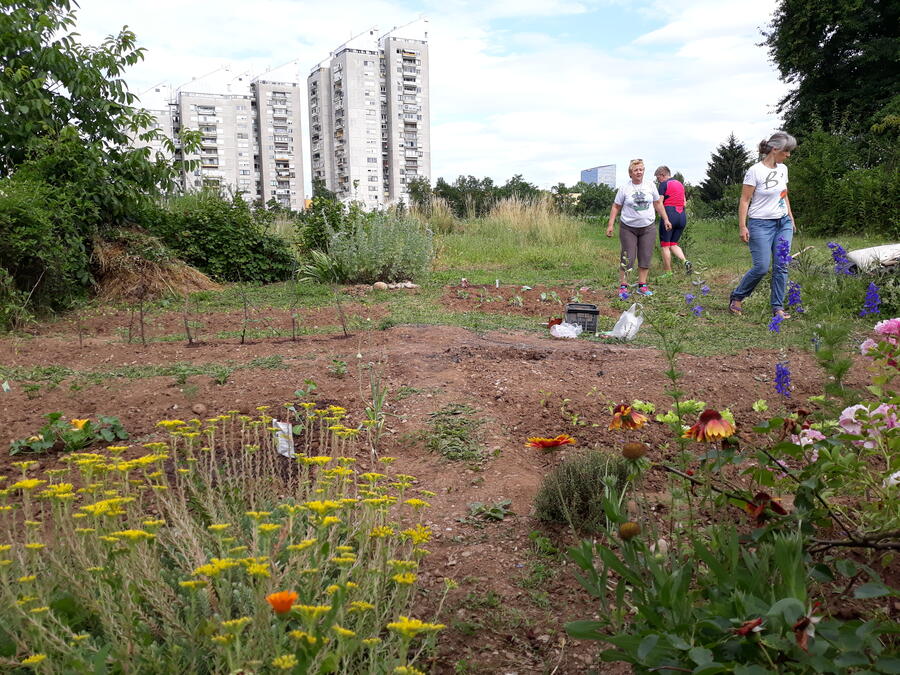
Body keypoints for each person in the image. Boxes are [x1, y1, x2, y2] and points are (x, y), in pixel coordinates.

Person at [729, 131, 798, 319]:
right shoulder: (754, 171)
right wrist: (743, 226)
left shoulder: (783, 169)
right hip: (760, 224)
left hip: (782, 222)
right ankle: (737, 297)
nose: (789, 155)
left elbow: (784, 194)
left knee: (782, 265)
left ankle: (778, 307)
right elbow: (744, 200)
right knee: (761, 266)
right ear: (775, 149)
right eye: (786, 151)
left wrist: (790, 217)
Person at [607, 159, 671, 297]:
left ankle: (642, 285)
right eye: (636, 170)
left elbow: (658, 203)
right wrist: (611, 225)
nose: (639, 172)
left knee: (645, 256)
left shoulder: (650, 185)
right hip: (628, 227)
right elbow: (616, 206)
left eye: (641, 169)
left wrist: (665, 219)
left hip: (648, 227)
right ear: (630, 173)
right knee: (628, 257)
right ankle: (624, 286)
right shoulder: (624, 188)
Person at [654, 166, 691, 275]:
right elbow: (685, 203)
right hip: (682, 216)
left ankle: (668, 273)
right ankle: (685, 261)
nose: (658, 180)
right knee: (673, 244)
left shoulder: (664, 184)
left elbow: (659, 202)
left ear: (662, 175)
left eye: (658, 178)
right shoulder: (680, 184)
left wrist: (663, 217)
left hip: (670, 214)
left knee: (665, 245)